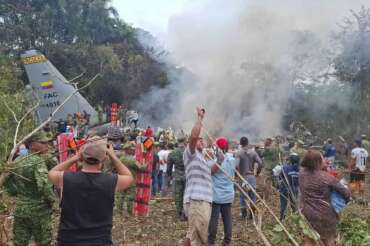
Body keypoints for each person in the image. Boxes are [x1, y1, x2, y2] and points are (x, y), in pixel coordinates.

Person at [48, 137, 133, 245]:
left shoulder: (66, 178)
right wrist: (113, 156)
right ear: (104, 159)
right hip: (100, 241)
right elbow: (129, 176)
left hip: (69, 240)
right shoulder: (111, 181)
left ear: (82, 157)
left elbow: (51, 173)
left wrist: (75, 158)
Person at [4, 131, 55, 246]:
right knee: (44, 242)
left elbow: (7, 182)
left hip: (20, 210)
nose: (47, 145)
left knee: (19, 242)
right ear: (32, 145)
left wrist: (17, 193)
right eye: (43, 143)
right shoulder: (37, 161)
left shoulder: (17, 161)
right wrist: (53, 202)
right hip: (39, 211)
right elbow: (44, 186)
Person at [299, 150, 350, 246]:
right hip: (325, 214)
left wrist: (324, 169)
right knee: (328, 241)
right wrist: (343, 203)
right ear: (318, 162)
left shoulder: (302, 174)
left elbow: (311, 173)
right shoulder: (327, 178)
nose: (325, 160)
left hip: (307, 213)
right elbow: (346, 193)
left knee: (309, 240)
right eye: (323, 158)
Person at [183, 107, 213, 246]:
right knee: (199, 239)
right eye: (198, 140)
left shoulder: (203, 158)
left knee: (191, 235)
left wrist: (223, 159)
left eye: (203, 140)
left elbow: (213, 171)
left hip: (203, 200)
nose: (201, 141)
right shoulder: (191, 154)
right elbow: (194, 136)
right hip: (197, 200)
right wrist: (200, 119)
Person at [207, 137, 236, 246]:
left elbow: (209, 172)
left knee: (213, 220)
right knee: (227, 218)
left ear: (217, 148)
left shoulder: (215, 162)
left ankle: (210, 241)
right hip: (228, 194)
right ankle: (227, 241)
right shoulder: (232, 160)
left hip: (216, 195)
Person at [235, 136, 263, 219]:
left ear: (240, 144)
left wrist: (237, 175)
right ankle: (252, 215)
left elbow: (236, 165)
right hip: (251, 177)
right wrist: (257, 172)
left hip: (243, 177)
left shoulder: (238, 153)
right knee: (252, 196)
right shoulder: (253, 153)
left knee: (243, 196)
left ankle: (243, 215)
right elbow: (260, 163)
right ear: (248, 143)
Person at [167, 134, 187, 219]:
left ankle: (179, 212)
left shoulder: (172, 153)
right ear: (184, 141)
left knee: (178, 194)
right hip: (188, 175)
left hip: (178, 175)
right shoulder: (189, 151)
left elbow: (169, 168)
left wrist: (169, 176)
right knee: (187, 194)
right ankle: (186, 212)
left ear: (177, 142)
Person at [278, 153, 299, 221]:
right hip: (294, 190)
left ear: (290, 160)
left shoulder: (285, 167)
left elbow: (280, 177)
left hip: (285, 189)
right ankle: (295, 219)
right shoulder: (299, 169)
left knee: (283, 205)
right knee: (294, 204)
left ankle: (282, 219)